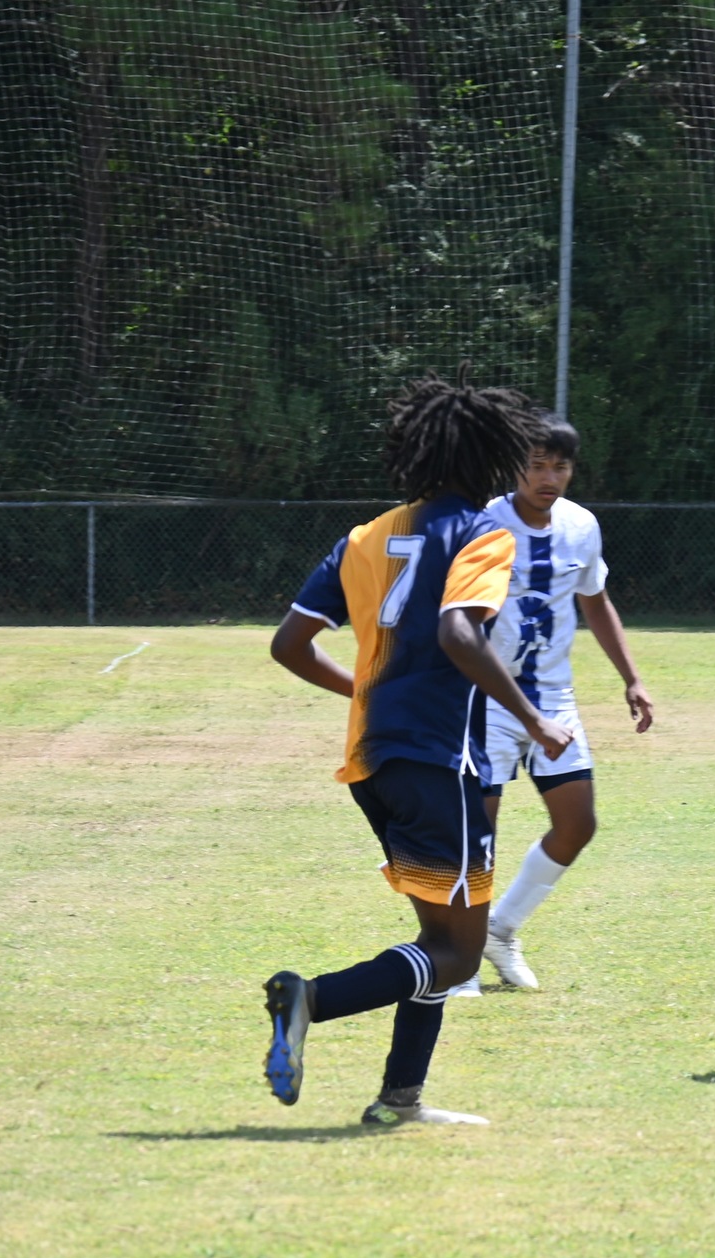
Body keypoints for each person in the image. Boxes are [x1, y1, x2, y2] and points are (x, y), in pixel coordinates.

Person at [260, 377, 571, 1126]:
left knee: (439, 936)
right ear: (492, 455)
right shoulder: (483, 533)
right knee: (461, 953)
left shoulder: (366, 536)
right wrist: (532, 716)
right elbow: (457, 633)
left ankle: (402, 1098)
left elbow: (290, 644)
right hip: (440, 762)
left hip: (373, 764)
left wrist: (366, 694)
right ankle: (311, 999)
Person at [446, 415, 655, 995]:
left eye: (559, 466)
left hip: (555, 699)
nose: (548, 477)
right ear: (516, 466)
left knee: (577, 823)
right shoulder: (484, 522)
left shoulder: (582, 526)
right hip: (486, 697)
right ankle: (459, 956)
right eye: (536, 464)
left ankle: (500, 928)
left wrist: (632, 678)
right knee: (476, 832)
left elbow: (596, 601)